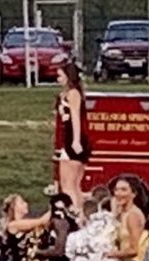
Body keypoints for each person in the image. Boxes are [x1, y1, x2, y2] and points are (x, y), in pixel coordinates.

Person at [55, 59, 91, 211]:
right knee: (74, 184)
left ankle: (75, 213)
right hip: (68, 139)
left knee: (68, 184)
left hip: (73, 140)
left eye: (60, 76)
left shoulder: (73, 94)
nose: (58, 79)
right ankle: (79, 212)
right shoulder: (66, 94)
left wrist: (76, 141)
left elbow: (76, 116)